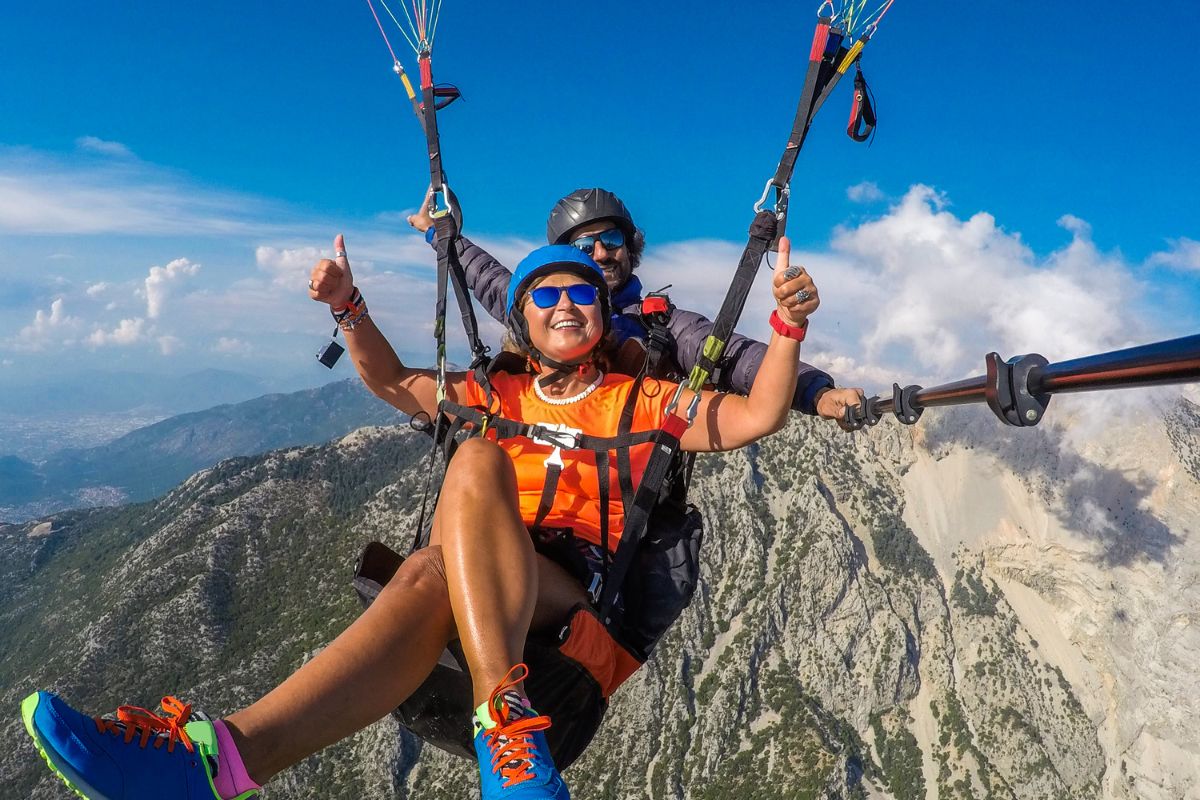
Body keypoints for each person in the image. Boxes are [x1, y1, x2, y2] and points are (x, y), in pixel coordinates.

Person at [20, 234, 821, 800]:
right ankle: (217, 763)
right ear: (524, 319)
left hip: (574, 598)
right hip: (476, 577)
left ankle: (502, 724)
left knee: (475, 459)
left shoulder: (641, 400)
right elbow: (392, 382)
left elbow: (755, 417)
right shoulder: (496, 394)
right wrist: (347, 306)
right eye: (547, 292)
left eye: (583, 290)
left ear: (603, 316)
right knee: (437, 555)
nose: (568, 301)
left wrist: (787, 328)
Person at [409, 187, 864, 423]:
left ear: (630, 248)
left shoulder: (660, 324)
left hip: (622, 491)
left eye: (612, 240)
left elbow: (734, 355)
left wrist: (816, 392)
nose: (602, 252)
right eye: (585, 246)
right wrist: (441, 233)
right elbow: (490, 282)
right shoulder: (544, 315)